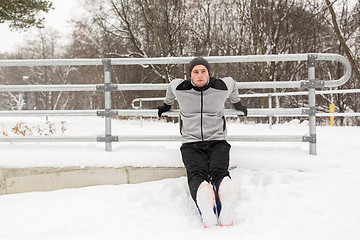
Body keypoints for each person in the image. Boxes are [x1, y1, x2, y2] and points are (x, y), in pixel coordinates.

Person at [157, 57, 247, 228]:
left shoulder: (221, 86)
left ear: (209, 73)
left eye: (203, 71)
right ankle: (215, 195)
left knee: (200, 173)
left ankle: (207, 196)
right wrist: (166, 105)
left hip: (216, 141)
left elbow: (232, 84)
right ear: (190, 75)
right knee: (214, 171)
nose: (199, 75)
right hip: (192, 143)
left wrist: (237, 103)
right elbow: (171, 87)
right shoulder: (180, 87)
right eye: (195, 72)